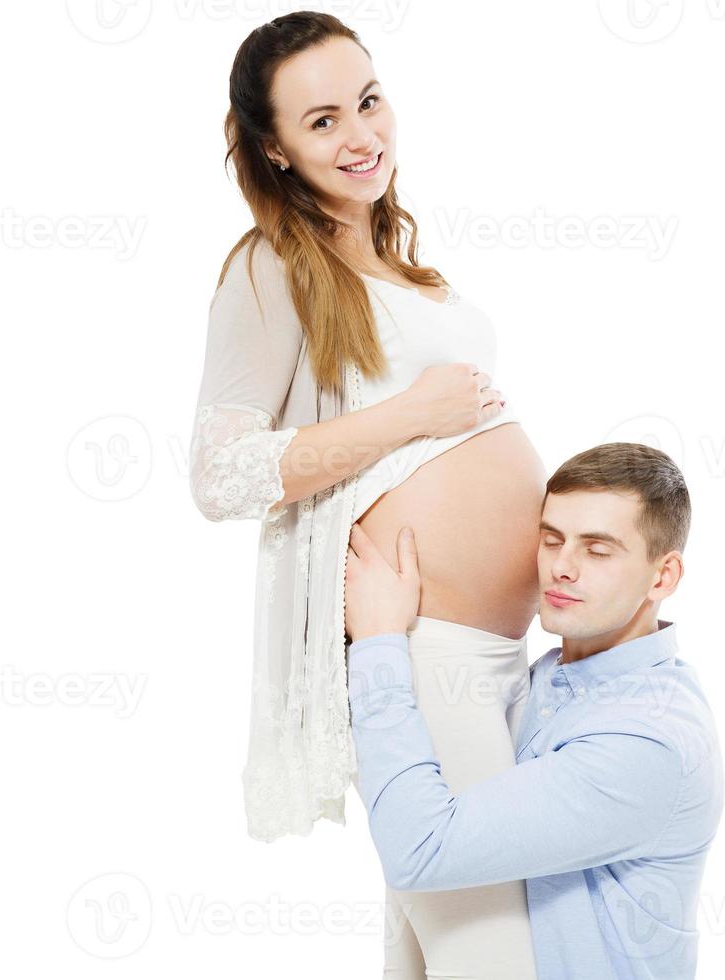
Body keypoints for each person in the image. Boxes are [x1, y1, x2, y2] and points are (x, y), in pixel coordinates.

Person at [189, 12, 548, 978]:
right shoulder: (271, 268)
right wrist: (419, 414)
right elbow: (217, 474)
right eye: (323, 121)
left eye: (370, 99)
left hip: (497, 659)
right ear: (274, 147)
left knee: (452, 955)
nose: (361, 135)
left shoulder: (404, 267)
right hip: (418, 655)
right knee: (498, 960)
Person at [344, 444, 725, 980]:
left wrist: (380, 642)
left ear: (662, 578)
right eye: (552, 540)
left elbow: (420, 850)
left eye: (598, 550)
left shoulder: (646, 741)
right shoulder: (547, 679)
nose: (561, 568)